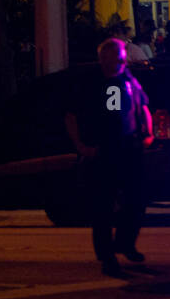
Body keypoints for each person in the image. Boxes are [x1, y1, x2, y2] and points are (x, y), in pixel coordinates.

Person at [64, 38, 153, 276]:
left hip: (130, 147)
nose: (122, 59)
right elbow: (70, 115)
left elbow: (142, 105)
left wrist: (148, 132)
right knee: (103, 205)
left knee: (137, 198)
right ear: (103, 58)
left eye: (122, 54)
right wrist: (81, 146)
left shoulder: (128, 79)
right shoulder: (91, 84)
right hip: (103, 150)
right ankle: (107, 256)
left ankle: (125, 242)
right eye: (116, 55)